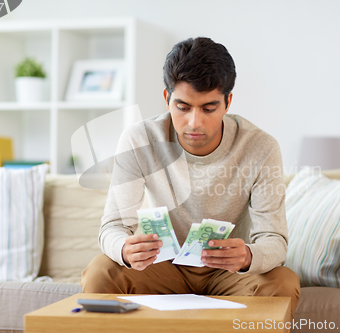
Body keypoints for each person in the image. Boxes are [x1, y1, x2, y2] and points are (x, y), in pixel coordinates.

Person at [81, 37, 300, 318]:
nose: (194, 122)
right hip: (163, 269)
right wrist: (124, 249)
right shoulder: (140, 139)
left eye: (208, 108)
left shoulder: (260, 147)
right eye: (183, 107)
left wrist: (247, 256)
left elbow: (274, 239)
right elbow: (113, 226)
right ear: (166, 98)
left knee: (283, 283)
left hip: (230, 273)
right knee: (101, 272)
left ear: (227, 102)